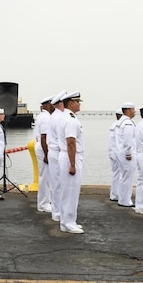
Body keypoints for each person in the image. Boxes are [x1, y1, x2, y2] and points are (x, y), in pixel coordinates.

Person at [58, 91, 84, 234]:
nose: (79, 104)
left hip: (66, 156)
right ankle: (68, 223)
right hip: (70, 157)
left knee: (68, 191)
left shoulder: (64, 117)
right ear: (71, 103)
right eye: (77, 102)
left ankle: (68, 221)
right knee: (71, 191)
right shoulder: (71, 120)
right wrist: (73, 164)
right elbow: (71, 143)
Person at [47, 90, 67, 222]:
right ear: (61, 104)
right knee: (59, 184)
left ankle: (56, 211)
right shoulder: (59, 117)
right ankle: (58, 212)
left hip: (53, 151)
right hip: (57, 151)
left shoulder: (53, 116)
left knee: (56, 183)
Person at [34, 95, 54, 212]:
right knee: (45, 177)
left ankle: (46, 200)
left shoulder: (43, 116)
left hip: (42, 147)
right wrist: (47, 155)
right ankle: (43, 203)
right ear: (48, 105)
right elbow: (44, 137)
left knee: (45, 177)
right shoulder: (46, 118)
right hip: (43, 148)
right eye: (52, 104)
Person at [115, 102, 137, 207]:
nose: (135, 111)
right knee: (127, 178)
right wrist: (128, 153)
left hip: (120, 153)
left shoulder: (121, 122)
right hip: (127, 154)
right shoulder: (127, 123)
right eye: (133, 109)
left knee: (124, 177)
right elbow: (128, 140)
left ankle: (122, 198)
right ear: (128, 110)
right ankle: (125, 200)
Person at [108, 109, 123, 202]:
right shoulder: (118, 126)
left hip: (112, 152)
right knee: (119, 174)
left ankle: (114, 194)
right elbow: (120, 142)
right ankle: (116, 194)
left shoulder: (113, 125)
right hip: (117, 152)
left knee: (115, 174)